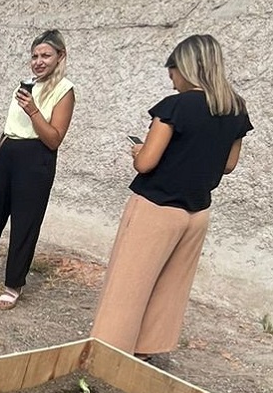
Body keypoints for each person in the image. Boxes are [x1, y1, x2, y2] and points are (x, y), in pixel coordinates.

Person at [91, 35, 251, 358]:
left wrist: (139, 150)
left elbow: (146, 163)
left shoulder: (175, 106)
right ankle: (146, 351)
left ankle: (108, 354)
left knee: (127, 285)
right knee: (170, 287)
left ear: (187, 67)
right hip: (197, 213)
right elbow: (229, 165)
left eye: (172, 68)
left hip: (156, 207)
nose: (170, 77)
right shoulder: (235, 109)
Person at [0, 29, 76, 310]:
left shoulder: (64, 90)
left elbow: (54, 139)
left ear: (60, 56)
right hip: (6, 153)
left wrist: (33, 110)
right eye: (34, 56)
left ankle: (13, 284)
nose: (39, 62)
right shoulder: (25, 85)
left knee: (24, 224)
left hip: (36, 157)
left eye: (46, 55)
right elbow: (8, 128)